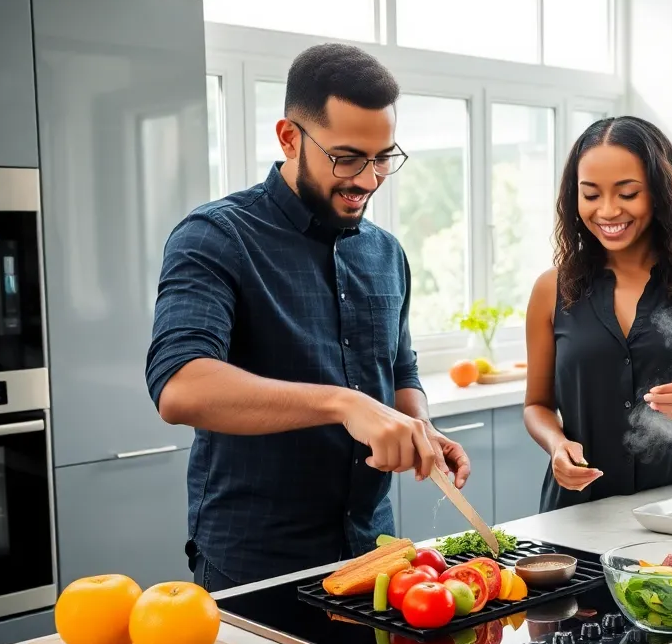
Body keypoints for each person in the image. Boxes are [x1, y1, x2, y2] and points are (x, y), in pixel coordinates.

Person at [145, 43, 470, 593]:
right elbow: (179, 387)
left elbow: (400, 371)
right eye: (347, 157)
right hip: (253, 564)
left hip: (375, 559)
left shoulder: (386, 253)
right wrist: (343, 403)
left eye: (383, 157)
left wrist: (418, 427)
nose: (368, 179)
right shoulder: (215, 237)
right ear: (290, 137)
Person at [523, 116, 672, 512]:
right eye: (591, 194)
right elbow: (537, 405)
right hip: (580, 510)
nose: (607, 210)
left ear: (660, 192)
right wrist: (557, 444)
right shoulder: (551, 289)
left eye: (627, 193)